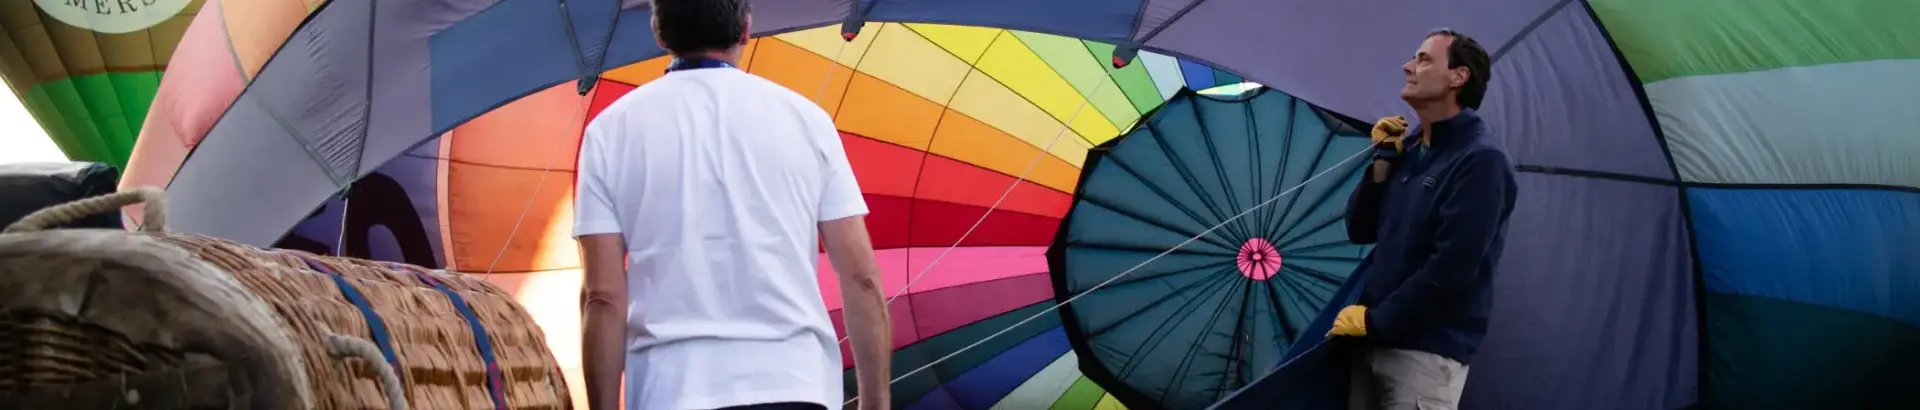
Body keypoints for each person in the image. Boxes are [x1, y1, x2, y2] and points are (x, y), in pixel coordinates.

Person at [571, 0, 894, 409]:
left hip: (671, 390)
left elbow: (602, 297)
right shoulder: (807, 120)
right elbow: (862, 278)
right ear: (746, 30)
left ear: (658, 33)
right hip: (797, 385)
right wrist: (876, 402)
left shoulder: (608, 132)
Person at [1327, 28, 1515, 410]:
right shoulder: (1410, 148)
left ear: (1457, 77)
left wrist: (1377, 322)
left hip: (1424, 357)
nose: (1407, 66)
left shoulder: (1480, 161)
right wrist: (1383, 162)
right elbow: (1359, 229)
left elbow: (1452, 269)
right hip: (1371, 343)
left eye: (1424, 59)